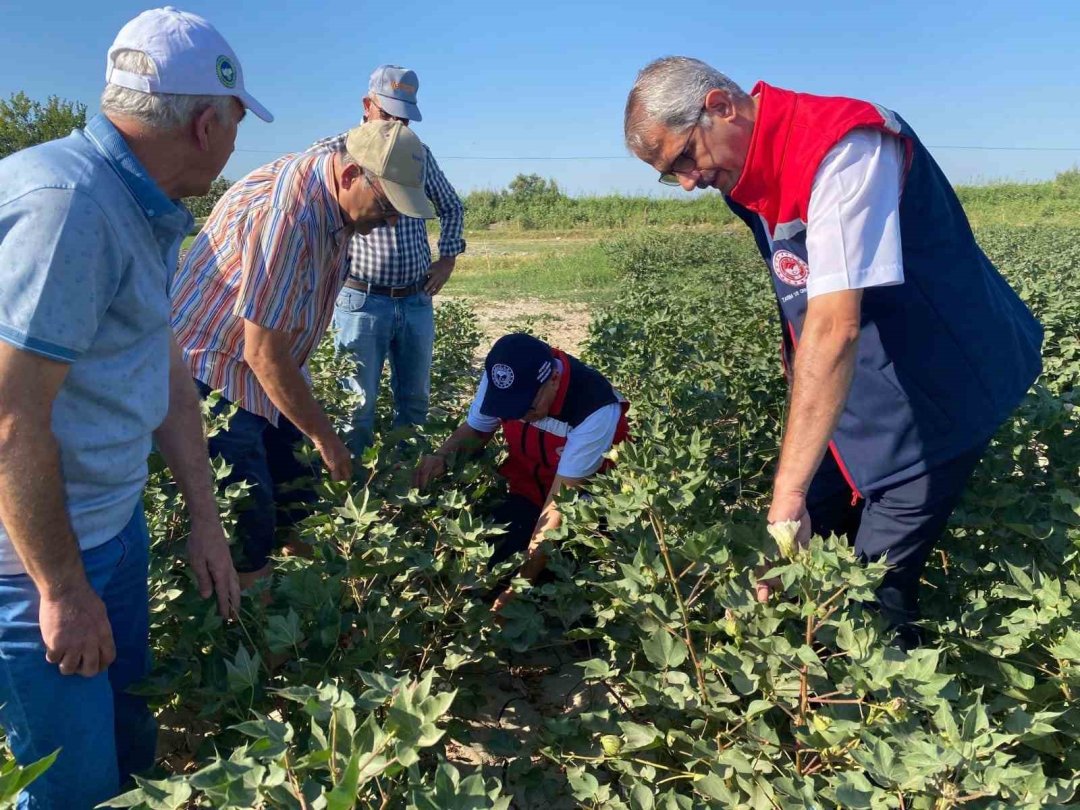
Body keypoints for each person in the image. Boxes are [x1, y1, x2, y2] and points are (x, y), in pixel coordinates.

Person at [623, 57, 1044, 644]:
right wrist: (794, 500)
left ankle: (888, 713)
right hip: (857, 390)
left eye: (683, 159)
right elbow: (801, 291)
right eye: (671, 174)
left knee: (867, 604)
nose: (688, 182)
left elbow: (833, 326)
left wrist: (788, 492)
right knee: (797, 554)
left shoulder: (847, 147)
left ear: (720, 107)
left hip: (941, 392)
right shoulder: (744, 171)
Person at [0, 8, 271, 807]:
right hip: (32, 566)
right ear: (202, 123)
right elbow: (11, 421)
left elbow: (166, 367)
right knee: (72, 788)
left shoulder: (141, 208)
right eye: (233, 124)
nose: (233, 145)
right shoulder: (68, 209)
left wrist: (205, 516)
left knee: (131, 749)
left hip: (109, 531)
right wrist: (60, 590)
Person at [171, 120, 436, 588]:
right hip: (211, 373)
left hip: (266, 370)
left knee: (302, 496)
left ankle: (308, 609)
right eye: (387, 204)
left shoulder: (334, 193)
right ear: (352, 174)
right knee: (247, 520)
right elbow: (263, 352)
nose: (392, 220)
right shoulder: (290, 218)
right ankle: (258, 642)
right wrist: (327, 437)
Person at [311, 65, 466, 454]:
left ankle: (406, 489)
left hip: (415, 300)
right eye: (388, 114)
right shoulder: (333, 152)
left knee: (414, 403)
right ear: (367, 105)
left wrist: (447, 259)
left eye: (404, 117)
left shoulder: (416, 154)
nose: (396, 125)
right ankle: (353, 495)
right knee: (356, 408)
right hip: (361, 301)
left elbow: (451, 206)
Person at [413, 334, 630, 611]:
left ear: (553, 379)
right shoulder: (502, 377)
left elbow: (560, 506)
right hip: (527, 493)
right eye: (508, 407)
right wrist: (441, 457)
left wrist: (518, 589)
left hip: (585, 510)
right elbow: (477, 431)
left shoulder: (594, 409)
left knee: (560, 592)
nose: (517, 414)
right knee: (482, 567)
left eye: (525, 406)